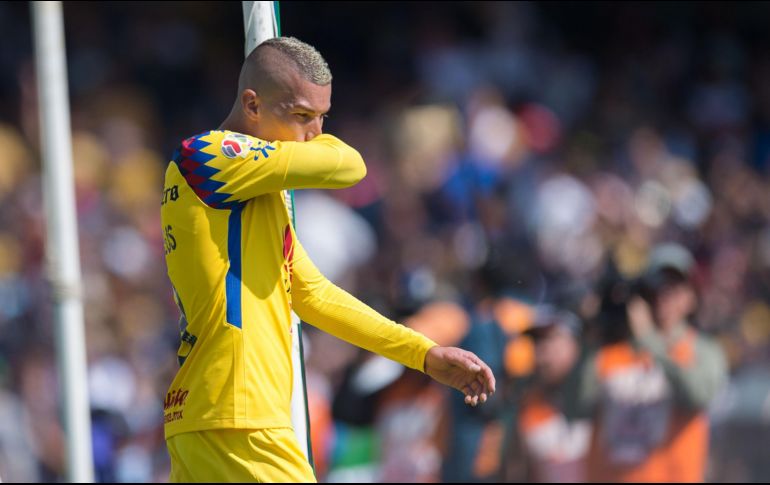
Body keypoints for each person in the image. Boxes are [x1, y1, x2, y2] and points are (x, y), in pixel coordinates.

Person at [159, 36, 496, 483]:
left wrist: (421, 353)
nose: (315, 133)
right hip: (240, 416)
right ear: (252, 104)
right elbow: (348, 165)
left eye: (323, 117)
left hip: (212, 414)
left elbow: (314, 295)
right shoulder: (208, 155)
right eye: (301, 115)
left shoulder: (256, 193)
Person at [580, 243, 727, 482]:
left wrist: (649, 340)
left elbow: (699, 395)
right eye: (657, 287)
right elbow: (574, 408)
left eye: (675, 287)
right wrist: (591, 339)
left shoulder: (702, 349)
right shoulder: (613, 350)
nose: (664, 295)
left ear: (692, 297)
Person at [503, 305, 591, 483]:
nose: (541, 351)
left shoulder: (600, 393)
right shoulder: (526, 403)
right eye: (536, 342)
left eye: (549, 339)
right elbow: (515, 469)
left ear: (574, 343)